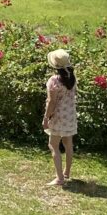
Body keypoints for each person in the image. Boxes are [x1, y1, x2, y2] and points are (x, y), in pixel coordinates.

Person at [42, 49, 77, 187]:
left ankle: (59, 178)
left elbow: (51, 102)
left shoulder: (54, 80)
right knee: (68, 144)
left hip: (58, 117)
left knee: (53, 145)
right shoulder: (72, 78)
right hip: (70, 115)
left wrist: (46, 118)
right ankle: (66, 172)